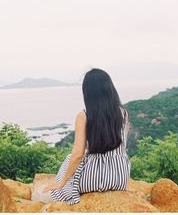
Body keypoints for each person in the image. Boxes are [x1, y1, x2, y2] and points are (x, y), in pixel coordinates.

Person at [42, 68, 131, 205]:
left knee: (68, 161)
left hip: (93, 178)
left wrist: (62, 183)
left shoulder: (84, 116)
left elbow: (78, 154)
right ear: (110, 89)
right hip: (120, 177)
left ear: (88, 93)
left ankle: (60, 195)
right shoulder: (123, 113)